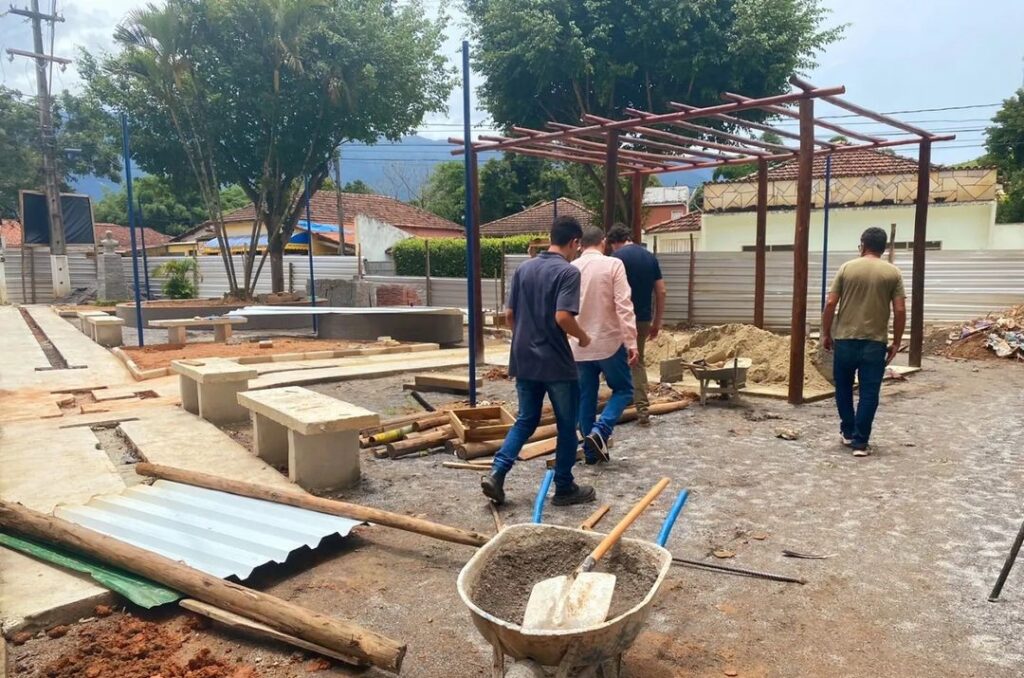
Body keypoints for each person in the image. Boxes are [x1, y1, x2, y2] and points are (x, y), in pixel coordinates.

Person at [481, 216, 596, 506]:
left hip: (524, 359)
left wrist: (526, 337)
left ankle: (496, 473)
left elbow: (510, 316)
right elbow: (563, 316)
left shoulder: (524, 268)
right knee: (567, 425)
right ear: (574, 242)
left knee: (526, 420)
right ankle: (564, 487)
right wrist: (583, 337)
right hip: (555, 362)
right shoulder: (568, 272)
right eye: (578, 247)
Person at [821, 226, 907, 457]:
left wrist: (826, 333)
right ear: (883, 248)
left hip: (845, 340)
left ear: (863, 245)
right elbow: (900, 310)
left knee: (843, 388)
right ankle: (860, 443)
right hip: (875, 343)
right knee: (869, 392)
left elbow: (831, 303)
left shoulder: (846, 268)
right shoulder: (893, 273)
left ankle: (848, 432)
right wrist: (896, 342)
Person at [571, 226, 638, 463]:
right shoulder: (613, 265)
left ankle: (591, 454)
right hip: (609, 342)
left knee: (586, 397)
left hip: (579, 345)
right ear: (603, 242)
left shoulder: (571, 268)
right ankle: (601, 430)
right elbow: (623, 305)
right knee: (624, 389)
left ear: (580, 244)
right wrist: (631, 341)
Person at [607, 223, 666, 425]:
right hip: (642, 319)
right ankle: (642, 410)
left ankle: (619, 406)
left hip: (619, 319)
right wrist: (657, 321)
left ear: (614, 242)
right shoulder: (649, 257)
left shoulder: (615, 259)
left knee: (615, 361)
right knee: (637, 362)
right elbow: (661, 291)